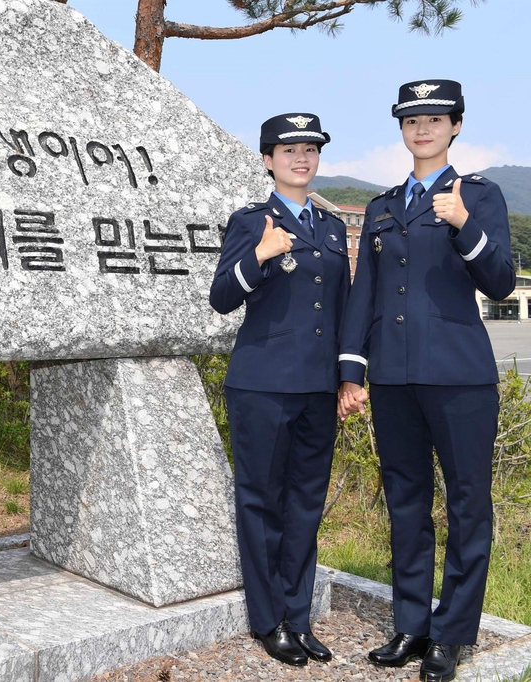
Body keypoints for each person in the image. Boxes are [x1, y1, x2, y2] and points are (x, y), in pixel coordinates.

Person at [338, 80, 515, 682]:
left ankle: (453, 633)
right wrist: (352, 371)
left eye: (435, 119)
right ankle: (411, 624)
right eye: (412, 120)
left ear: (456, 126)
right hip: (392, 378)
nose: (423, 128)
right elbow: (365, 294)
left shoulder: (480, 196)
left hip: (461, 378)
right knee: (406, 501)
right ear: (402, 128)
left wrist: (465, 223)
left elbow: (499, 281)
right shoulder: (384, 206)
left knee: (468, 503)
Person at [210, 114, 350, 667]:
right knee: (261, 502)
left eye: (310, 149)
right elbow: (222, 296)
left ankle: (298, 615)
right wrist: (260, 256)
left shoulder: (332, 226)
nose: (301, 157)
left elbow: (341, 308)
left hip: (317, 388)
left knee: (306, 505)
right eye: (289, 149)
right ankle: (268, 621)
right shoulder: (250, 222)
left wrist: (347, 376)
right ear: (268, 159)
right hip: (262, 385)